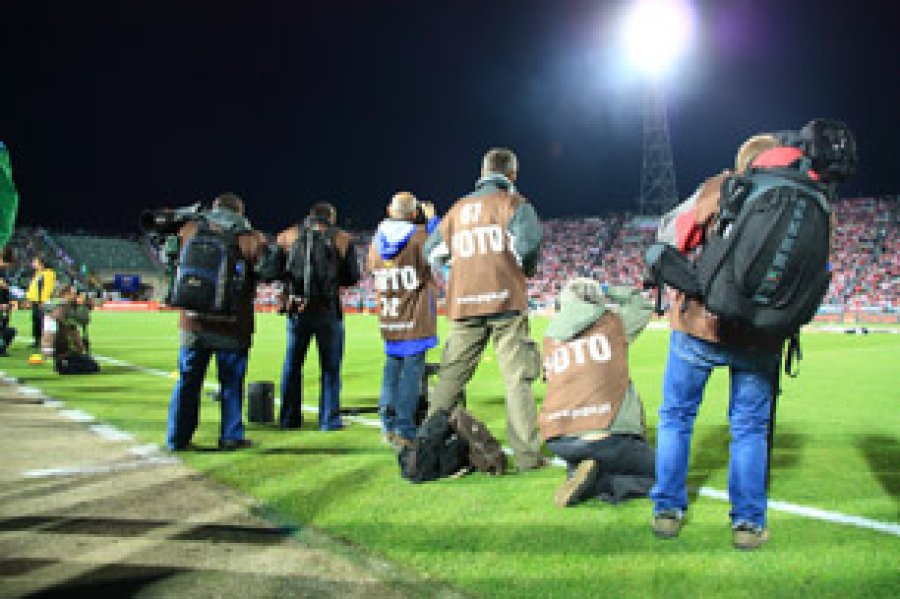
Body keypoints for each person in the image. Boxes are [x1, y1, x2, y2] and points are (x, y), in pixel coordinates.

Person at [650, 134, 788, 550]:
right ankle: (748, 524)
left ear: (743, 161)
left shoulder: (721, 186)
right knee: (750, 428)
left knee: (676, 417)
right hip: (760, 332)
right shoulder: (801, 199)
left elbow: (672, 236)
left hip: (701, 323)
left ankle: (667, 511)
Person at [423, 147, 545, 472]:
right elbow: (528, 246)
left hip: (464, 303)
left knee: (450, 378)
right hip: (505, 301)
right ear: (512, 174)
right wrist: (524, 269)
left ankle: (427, 446)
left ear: (482, 173)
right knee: (517, 380)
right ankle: (528, 457)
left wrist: (456, 271)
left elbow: (430, 252)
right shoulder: (514, 204)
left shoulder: (458, 209)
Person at [540, 278, 656, 507]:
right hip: (607, 436)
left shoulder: (550, 337)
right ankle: (602, 484)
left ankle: (578, 467)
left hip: (559, 440)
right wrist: (607, 289)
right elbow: (642, 305)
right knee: (670, 474)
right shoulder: (614, 323)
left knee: (591, 444)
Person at [167, 193, 269, 451]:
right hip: (232, 325)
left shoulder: (189, 229)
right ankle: (231, 436)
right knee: (231, 385)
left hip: (193, 322)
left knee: (187, 382)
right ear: (240, 212)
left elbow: (171, 259)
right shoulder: (249, 237)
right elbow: (267, 271)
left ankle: (177, 437)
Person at [276, 202, 360, 431]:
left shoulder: (288, 236)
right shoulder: (342, 239)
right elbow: (352, 277)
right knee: (330, 369)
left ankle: (289, 418)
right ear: (331, 218)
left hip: (297, 308)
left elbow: (276, 270)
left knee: (292, 364)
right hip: (327, 309)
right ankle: (329, 420)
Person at [367, 192, 439, 448]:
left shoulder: (376, 241)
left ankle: (387, 425)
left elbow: (372, 270)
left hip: (390, 316)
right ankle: (405, 430)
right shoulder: (419, 236)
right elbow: (442, 250)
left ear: (389, 210)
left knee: (391, 370)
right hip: (415, 317)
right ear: (414, 213)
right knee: (411, 374)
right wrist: (433, 221)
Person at [26, 256, 56, 347]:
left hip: (42, 302)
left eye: (35, 262)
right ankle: (37, 340)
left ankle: (44, 341)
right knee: (36, 320)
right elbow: (34, 288)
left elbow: (48, 288)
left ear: (41, 263)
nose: (33, 264)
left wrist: (43, 301)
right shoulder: (38, 273)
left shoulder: (48, 273)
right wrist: (29, 299)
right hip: (36, 301)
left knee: (43, 321)